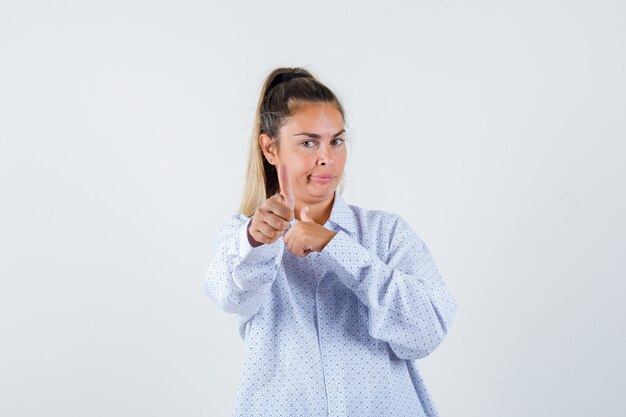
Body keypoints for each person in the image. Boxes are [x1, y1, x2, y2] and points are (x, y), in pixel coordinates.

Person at [204, 67, 457, 417]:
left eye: (336, 141)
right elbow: (230, 295)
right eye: (308, 142)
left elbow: (426, 332)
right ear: (270, 147)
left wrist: (336, 246)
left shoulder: (386, 232)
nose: (327, 158)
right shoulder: (241, 238)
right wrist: (257, 240)